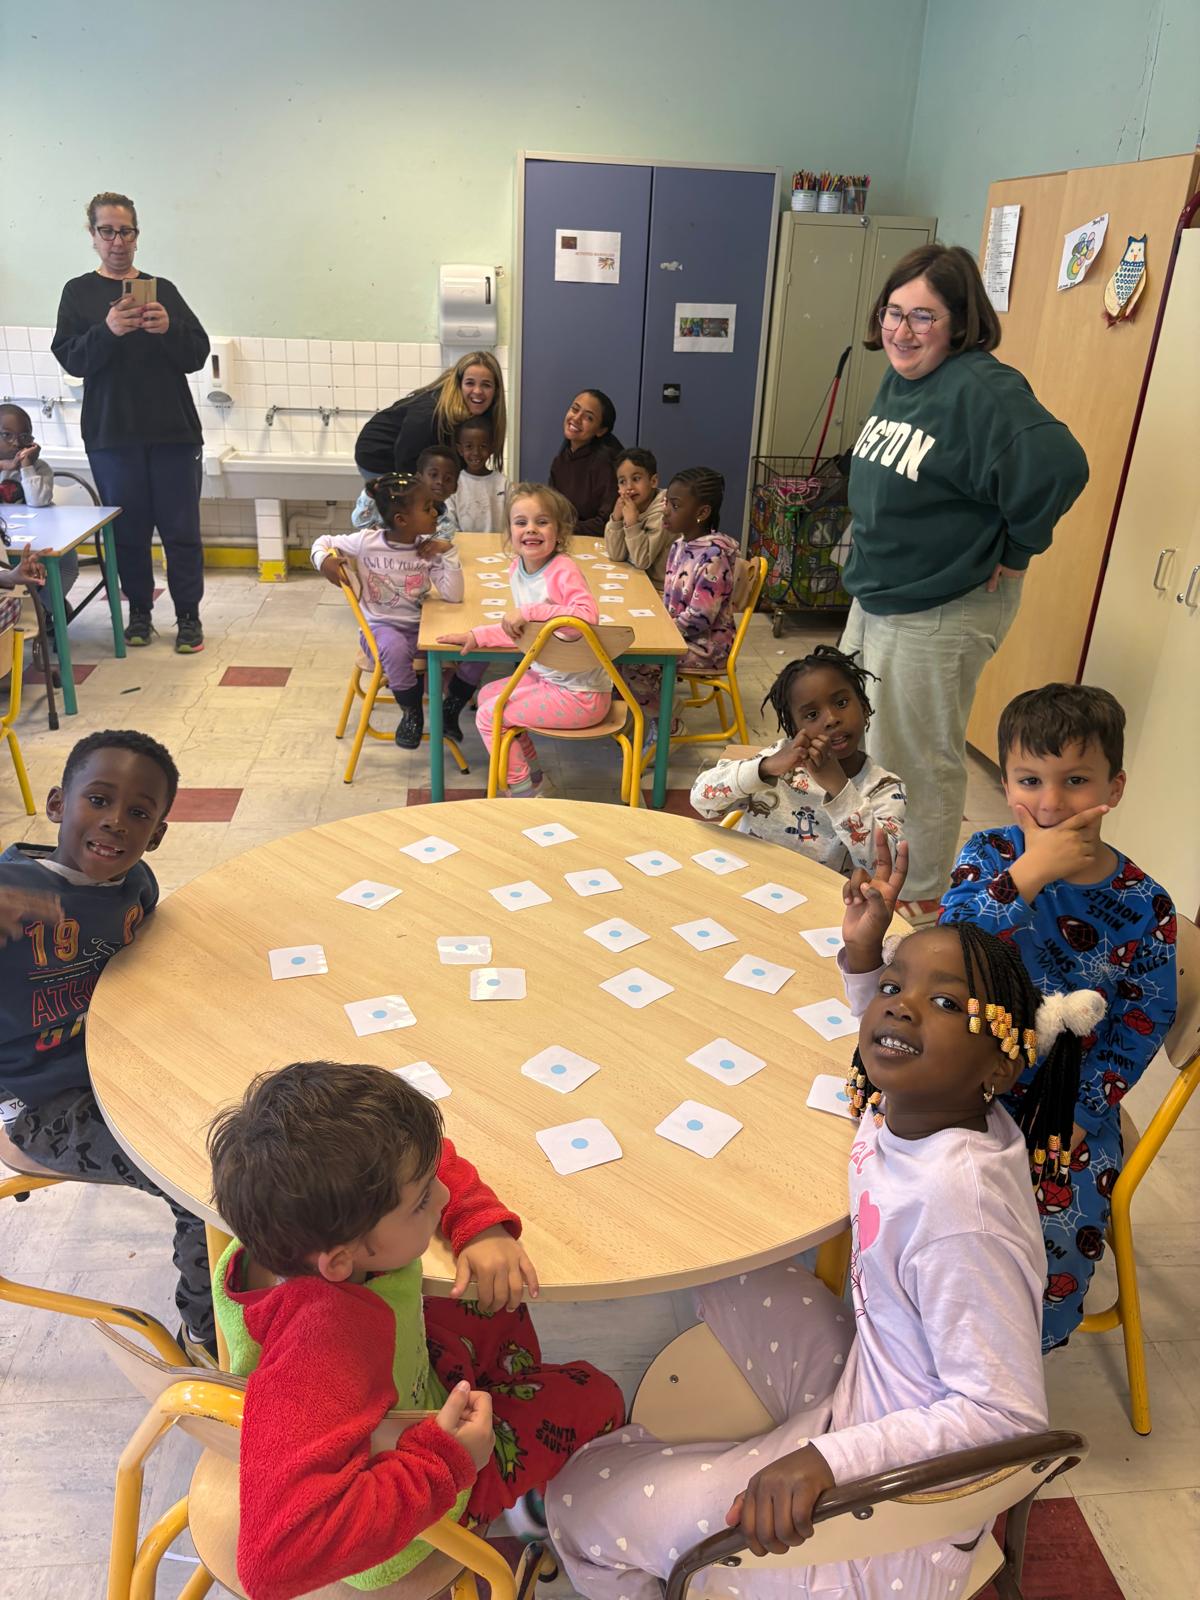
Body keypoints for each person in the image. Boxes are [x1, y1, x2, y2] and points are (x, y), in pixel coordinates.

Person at [549, 839, 1089, 1600]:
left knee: (578, 1496)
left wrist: (828, 1462)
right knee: (729, 1257)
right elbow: (894, 1029)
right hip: (872, 1385)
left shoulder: (959, 1210)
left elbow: (1005, 1417)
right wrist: (864, 957)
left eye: (943, 1003)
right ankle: (728, 1469)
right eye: (893, 987)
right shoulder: (928, 1096)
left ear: (1000, 1065)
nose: (898, 1006)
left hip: (887, 1528)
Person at [208, 1058, 624, 1600]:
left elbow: (423, 1156)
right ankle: (535, 1510)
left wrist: (479, 1223)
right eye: (424, 1200)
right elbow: (273, 1562)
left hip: (403, 1397)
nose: (443, 1196)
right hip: (410, 1513)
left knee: (491, 1301)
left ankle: (505, 1400)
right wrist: (445, 1460)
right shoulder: (320, 1349)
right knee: (597, 1395)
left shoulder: (302, 1220)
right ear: (341, 1260)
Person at [838, 243, 1089, 920]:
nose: (902, 330)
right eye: (894, 312)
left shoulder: (981, 387)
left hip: (940, 602)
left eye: (923, 316)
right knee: (863, 737)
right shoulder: (904, 377)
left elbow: (1059, 465)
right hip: (882, 592)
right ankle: (872, 861)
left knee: (914, 757)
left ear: (959, 323)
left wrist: (1021, 548)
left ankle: (919, 894)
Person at [939, 682, 1177, 1349]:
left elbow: (1143, 1020)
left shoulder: (1145, 904)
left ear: (1114, 787)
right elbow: (949, 949)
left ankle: (1014, 1349)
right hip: (963, 1066)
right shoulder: (989, 855)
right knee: (905, 1171)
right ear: (1006, 783)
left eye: (1075, 780)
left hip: (1069, 1092)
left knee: (1058, 1223)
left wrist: (1084, 1112)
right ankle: (917, 1303)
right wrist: (1027, 875)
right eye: (1030, 780)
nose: (1050, 803)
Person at [0, 729, 216, 1361]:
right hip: (37, 1108)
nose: (116, 821)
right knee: (200, 1182)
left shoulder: (134, 885)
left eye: (139, 813)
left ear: (157, 835)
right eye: (98, 800)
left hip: (118, 1068)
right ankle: (206, 1338)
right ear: (57, 804)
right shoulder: (8, 894)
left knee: (244, 1113)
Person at [52, 192, 211, 654]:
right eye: (107, 231)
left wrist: (169, 329)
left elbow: (197, 354)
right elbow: (71, 359)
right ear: (92, 235)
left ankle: (189, 616)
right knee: (128, 533)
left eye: (126, 231)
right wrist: (107, 331)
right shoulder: (77, 293)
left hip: (174, 433)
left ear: (137, 235)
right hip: (112, 435)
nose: (117, 241)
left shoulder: (163, 290)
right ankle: (139, 612)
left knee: (182, 532)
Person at [437, 484, 610, 798]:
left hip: (581, 694)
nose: (531, 529)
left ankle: (523, 793)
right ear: (510, 532)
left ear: (560, 532)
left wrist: (531, 612)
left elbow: (586, 619)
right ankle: (535, 778)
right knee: (487, 695)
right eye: (521, 522)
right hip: (548, 679)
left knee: (490, 715)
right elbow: (522, 629)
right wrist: (477, 636)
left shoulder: (563, 569)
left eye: (542, 522)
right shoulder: (517, 568)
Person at [690, 644, 906, 874]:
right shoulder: (778, 763)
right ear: (795, 730)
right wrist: (765, 767)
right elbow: (701, 801)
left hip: (819, 893)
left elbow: (884, 867)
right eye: (812, 715)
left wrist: (839, 788)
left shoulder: (884, 788)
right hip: (748, 880)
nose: (831, 719)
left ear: (864, 708)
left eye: (841, 703)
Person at [311, 473, 484, 750]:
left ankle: (451, 707)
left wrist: (448, 553)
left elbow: (453, 596)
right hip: (380, 631)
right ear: (402, 520)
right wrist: (324, 562)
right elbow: (322, 541)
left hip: (422, 631)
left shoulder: (426, 547)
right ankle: (411, 712)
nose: (436, 513)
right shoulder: (366, 542)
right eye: (427, 508)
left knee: (483, 641)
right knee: (394, 647)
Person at [626, 467, 738, 750]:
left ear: (701, 513)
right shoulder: (679, 545)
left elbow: (700, 617)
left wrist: (658, 634)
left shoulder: (714, 557)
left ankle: (669, 724)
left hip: (707, 646)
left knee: (634, 663)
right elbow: (672, 600)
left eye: (675, 506)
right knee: (623, 649)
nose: (666, 511)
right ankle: (645, 712)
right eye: (667, 503)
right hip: (678, 635)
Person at [355, 351, 505, 477]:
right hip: (378, 453)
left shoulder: (483, 415)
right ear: (459, 385)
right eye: (470, 383)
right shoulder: (431, 413)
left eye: (486, 385)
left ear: (496, 390)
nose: (477, 391)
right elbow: (406, 459)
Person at [548, 390, 622, 536]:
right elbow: (551, 510)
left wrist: (562, 528)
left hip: (598, 543)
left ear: (601, 430)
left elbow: (607, 523)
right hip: (565, 540)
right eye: (575, 409)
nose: (576, 418)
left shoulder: (607, 464)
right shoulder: (560, 461)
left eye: (588, 417)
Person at [351, 444, 461, 534]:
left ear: (455, 487)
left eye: (448, 479)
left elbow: (443, 546)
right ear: (418, 478)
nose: (440, 482)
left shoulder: (446, 526)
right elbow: (360, 522)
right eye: (433, 475)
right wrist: (370, 495)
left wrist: (441, 545)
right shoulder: (397, 504)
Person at [604, 447, 669, 585]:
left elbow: (642, 561)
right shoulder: (630, 507)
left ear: (653, 481)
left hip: (659, 587)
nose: (629, 487)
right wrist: (616, 519)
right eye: (622, 481)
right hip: (639, 580)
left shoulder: (664, 513)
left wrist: (632, 524)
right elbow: (616, 555)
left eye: (636, 479)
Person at [443, 416, 508, 534]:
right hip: (463, 544)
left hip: (497, 544)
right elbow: (449, 522)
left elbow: (512, 518)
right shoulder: (454, 482)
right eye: (469, 446)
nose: (476, 452)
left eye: (483, 446)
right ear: (460, 449)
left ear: (491, 448)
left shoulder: (503, 483)